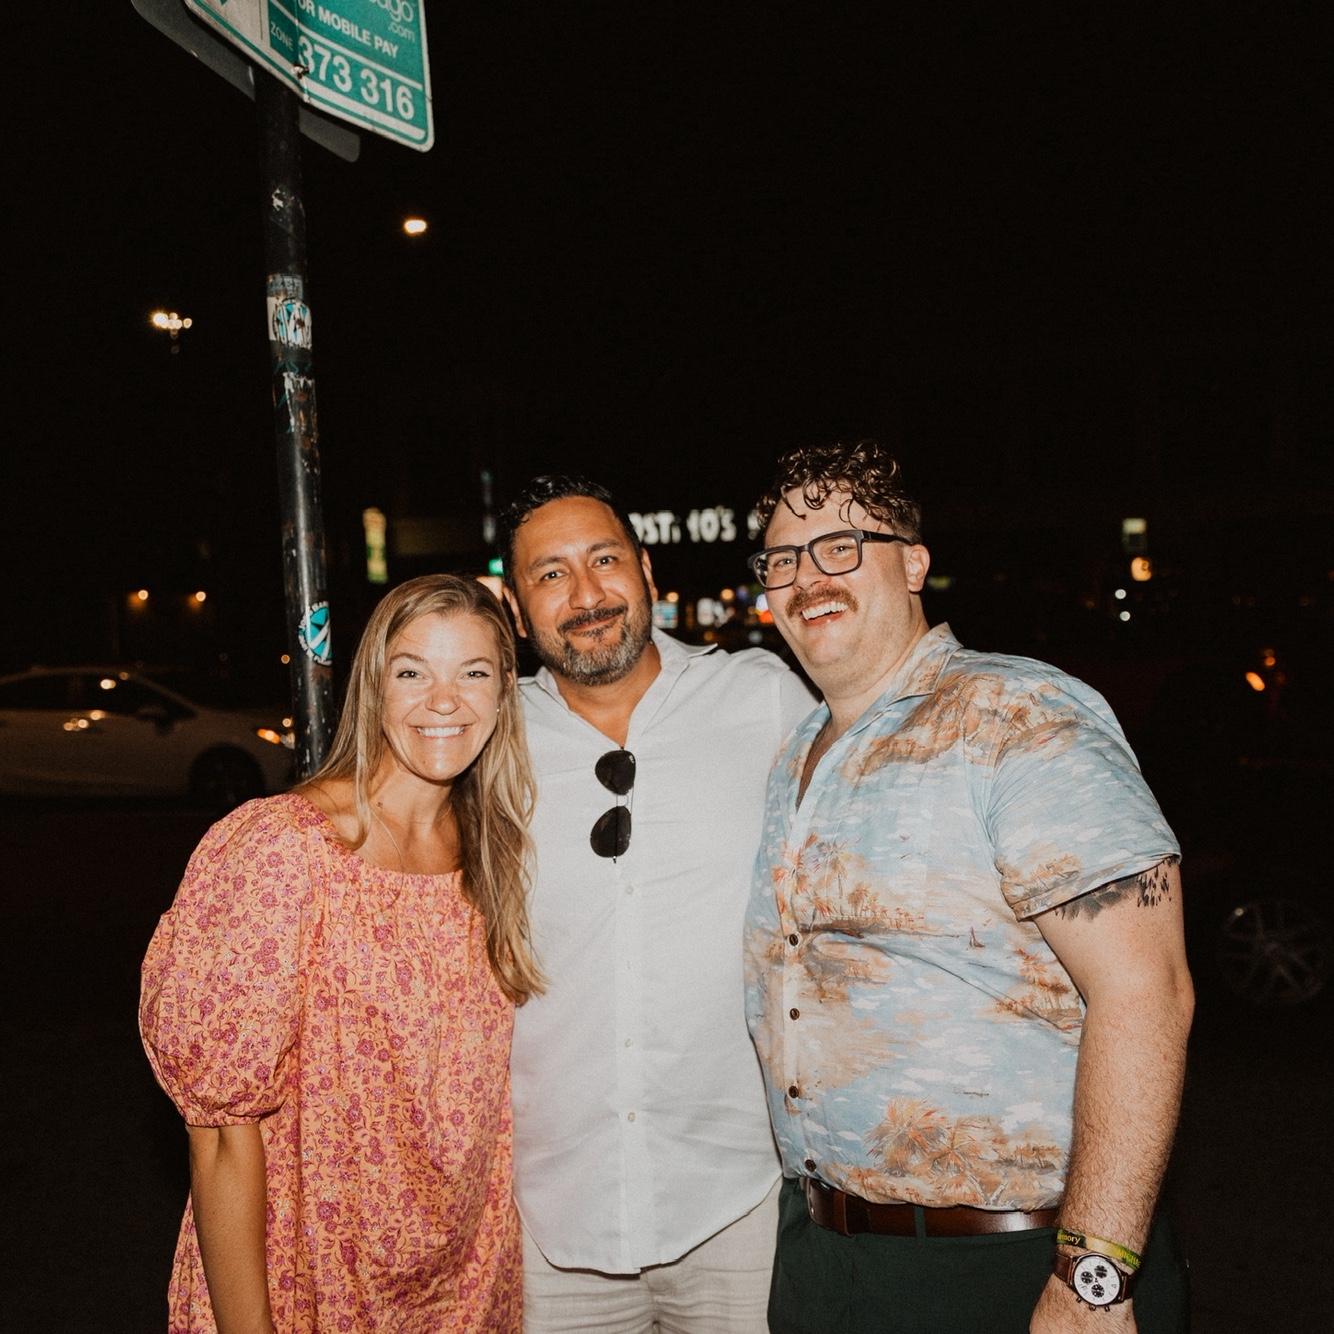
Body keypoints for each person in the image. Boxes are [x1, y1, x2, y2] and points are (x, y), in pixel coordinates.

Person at [741, 440, 1194, 1333]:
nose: (807, 577)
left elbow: (1147, 991)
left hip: (1012, 1262)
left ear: (913, 564)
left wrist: (1094, 1272)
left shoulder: (1017, 715)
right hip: (826, 1256)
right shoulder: (795, 753)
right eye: (782, 558)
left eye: (841, 546)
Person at [140, 575, 542, 1333]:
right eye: (413, 671)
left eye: (474, 672)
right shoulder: (283, 852)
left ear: (504, 695)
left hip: (464, 1286)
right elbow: (221, 1138)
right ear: (374, 687)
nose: (445, 701)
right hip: (309, 1283)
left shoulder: (492, 850)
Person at [499, 475, 815, 1332]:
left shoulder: (762, 697)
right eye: (551, 574)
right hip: (551, 1213)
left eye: (604, 560)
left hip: (736, 1198)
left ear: (645, 571)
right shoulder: (489, 736)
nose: (586, 594)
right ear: (517, 609)